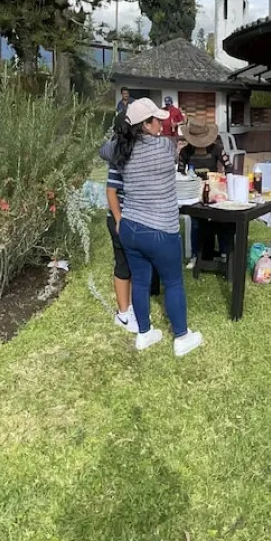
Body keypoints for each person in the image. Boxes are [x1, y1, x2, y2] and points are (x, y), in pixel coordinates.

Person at [101, 97, 202, 356]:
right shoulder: (165, 148)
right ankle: (181, 337)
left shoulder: (119, 150)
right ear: (145, 124)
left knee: (142, 283)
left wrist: (124, 137)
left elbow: (104, 150)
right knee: (174, 283)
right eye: (156, 119)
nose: (161, 123)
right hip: (161, 228)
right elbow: (186, 136)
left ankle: (144, 334)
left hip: (131, 228)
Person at [105, 149, 162, 333]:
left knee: (137, 265)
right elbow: (111, 191)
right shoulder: (119, 155)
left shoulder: (142, 155)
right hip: (121, 218)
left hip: (137, 218)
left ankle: (133, 308)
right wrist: (119, 219)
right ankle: (123, 314)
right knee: (123, 264)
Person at [178, 119, 234, 270]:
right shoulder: (185, 152)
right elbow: (180, 174)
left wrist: (222, 181)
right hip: (193, 194)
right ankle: (196, 254)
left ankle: (224, 253)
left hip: (215, 192)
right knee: (196, 222)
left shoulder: (217, 149)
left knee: (222, 220)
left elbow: (229, 167)